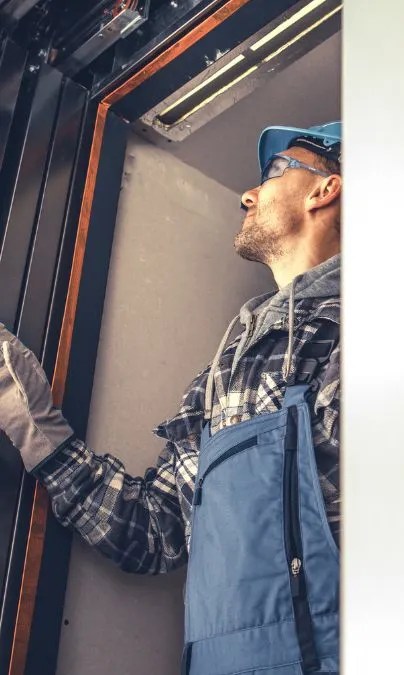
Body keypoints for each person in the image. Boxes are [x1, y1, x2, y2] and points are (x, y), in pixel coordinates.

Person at [0, 122, 343, 674]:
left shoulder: (379, 326)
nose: (248, 194)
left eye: (275, 171)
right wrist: (34, 424)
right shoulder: (224, 374)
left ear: (325, 189)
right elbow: (154, 531)